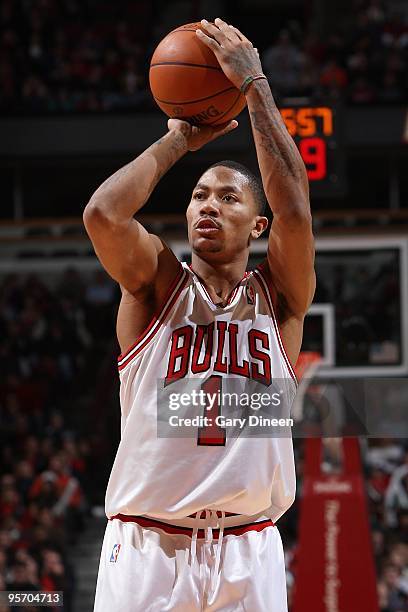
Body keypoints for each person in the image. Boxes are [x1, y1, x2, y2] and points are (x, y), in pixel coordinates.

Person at [84, 17, 315, 612]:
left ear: (257, 227)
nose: (207, 205)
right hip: (149, 545)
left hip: (250, 546)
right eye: (197, 195)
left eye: (228, 196)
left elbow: (295, 211)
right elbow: (103, 216)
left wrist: (256, 87)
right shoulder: (156, 285)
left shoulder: (280, 300)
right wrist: (179, 141)